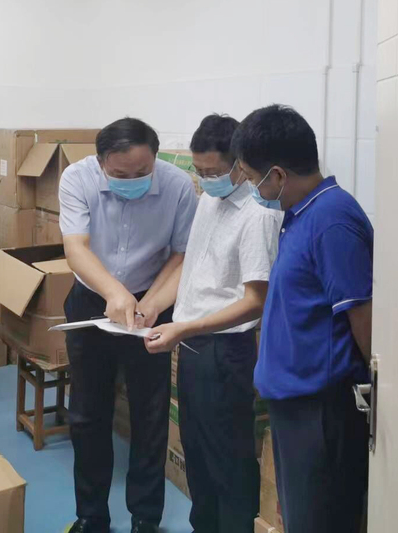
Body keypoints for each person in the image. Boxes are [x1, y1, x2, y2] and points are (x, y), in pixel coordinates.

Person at [230, 104, 373, 533]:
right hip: (296, 408)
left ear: (277, 175)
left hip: (322, 413)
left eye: (251, 177)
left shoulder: (332, 220)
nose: (252, 187)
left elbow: (364, 317)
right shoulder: (301, 214)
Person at [59, 117, 199, 533]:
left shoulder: (177, 186)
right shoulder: (77, 178)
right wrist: (113, 293)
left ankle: (145, 517)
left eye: (143, 171)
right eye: (121, 174)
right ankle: (91, 516)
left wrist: (152, 302)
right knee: (88, 413)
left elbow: (182, 254)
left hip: (152, 302)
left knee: (150, 415)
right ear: (101, 162)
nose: (133, 180)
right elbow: (76, 248)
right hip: (93, 300)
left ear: (155, 158)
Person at [143, 114, 281, 533]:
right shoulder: (207, 200)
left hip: (223, 351)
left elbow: (256, 302)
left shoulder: (258, 214)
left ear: (240, 164)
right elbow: (194, 269)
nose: (205, 180)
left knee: (228, 461)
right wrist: (154, 305)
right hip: (192, 345)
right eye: (199, 172)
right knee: (198, 454)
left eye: (214, 172)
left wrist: (185, 328)